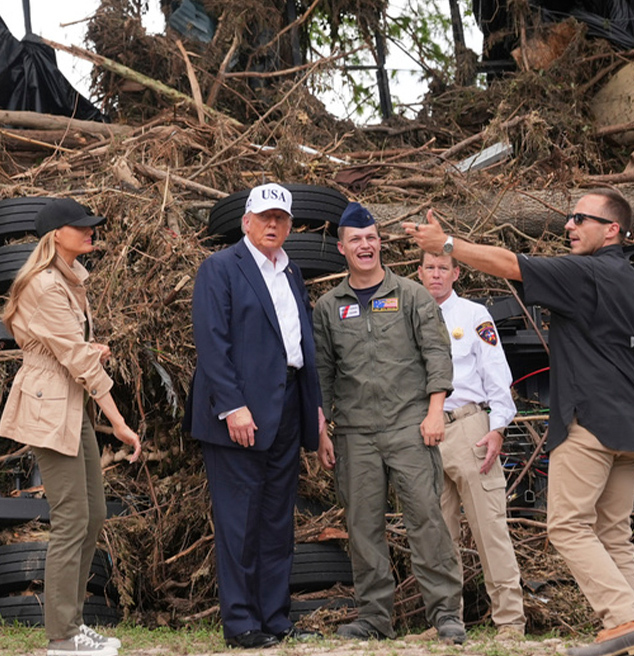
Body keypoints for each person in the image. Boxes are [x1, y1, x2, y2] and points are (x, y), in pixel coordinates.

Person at [403, 189, 634, 656]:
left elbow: (510, 264)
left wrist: (448, 245)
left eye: (581, 218)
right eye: (569, 217)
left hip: (591, 424)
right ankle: (633, 630)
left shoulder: (588, 272)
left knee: (566, 526)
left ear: (613, 230)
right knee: (612, 532)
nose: (569, 225)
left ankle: (623, 621)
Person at [311, 202, 466, 644]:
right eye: (356, 239)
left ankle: (446, 615)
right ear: (342, 248)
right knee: (363, 527)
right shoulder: (328, 306)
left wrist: (436, 411)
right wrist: (322, 430)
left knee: (426, 521)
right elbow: (323, 373)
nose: (366, 245)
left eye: (372, 238)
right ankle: (374, 618)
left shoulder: (412, 296)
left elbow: (438, 354)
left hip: (410, 427)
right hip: (355, 434)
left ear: (381, 244)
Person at [0, 198, 142, 656]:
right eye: (81, 227)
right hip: (48, 405)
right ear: (56, 234)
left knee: (93, 513)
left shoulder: (66, 279)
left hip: (69, 401)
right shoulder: (44, 285)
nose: (90, 231)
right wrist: (118, 421)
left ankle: (73, 626)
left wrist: (87, 350)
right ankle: (62, 635)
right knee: (71, 519)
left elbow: (68, 348)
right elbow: (75, 358)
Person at [188, 183, 325, 649]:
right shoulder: (220, 268)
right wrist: (233, 406)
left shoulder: (291, 273)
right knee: (239, 521)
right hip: (239, 413)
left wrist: (315, 411)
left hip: (287, 405)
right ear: (246, 221)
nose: (273, 225)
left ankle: (275, 618)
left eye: (281, 219)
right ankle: (242, 622)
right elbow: (212, 342)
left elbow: (300, 346)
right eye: (265, 217)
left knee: (276, 520)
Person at [417, 251, 526, 640]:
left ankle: (510, 621)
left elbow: (497, 372)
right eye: (429, 268)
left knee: (489, 528)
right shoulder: (407, 312)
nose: (435, 275)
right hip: (425, 433)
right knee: (437, 535)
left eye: (443, 268)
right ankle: (446, 622)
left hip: (468, 426)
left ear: (456, 272)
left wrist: (497, 428)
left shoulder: (473, 314)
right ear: (419, 271)